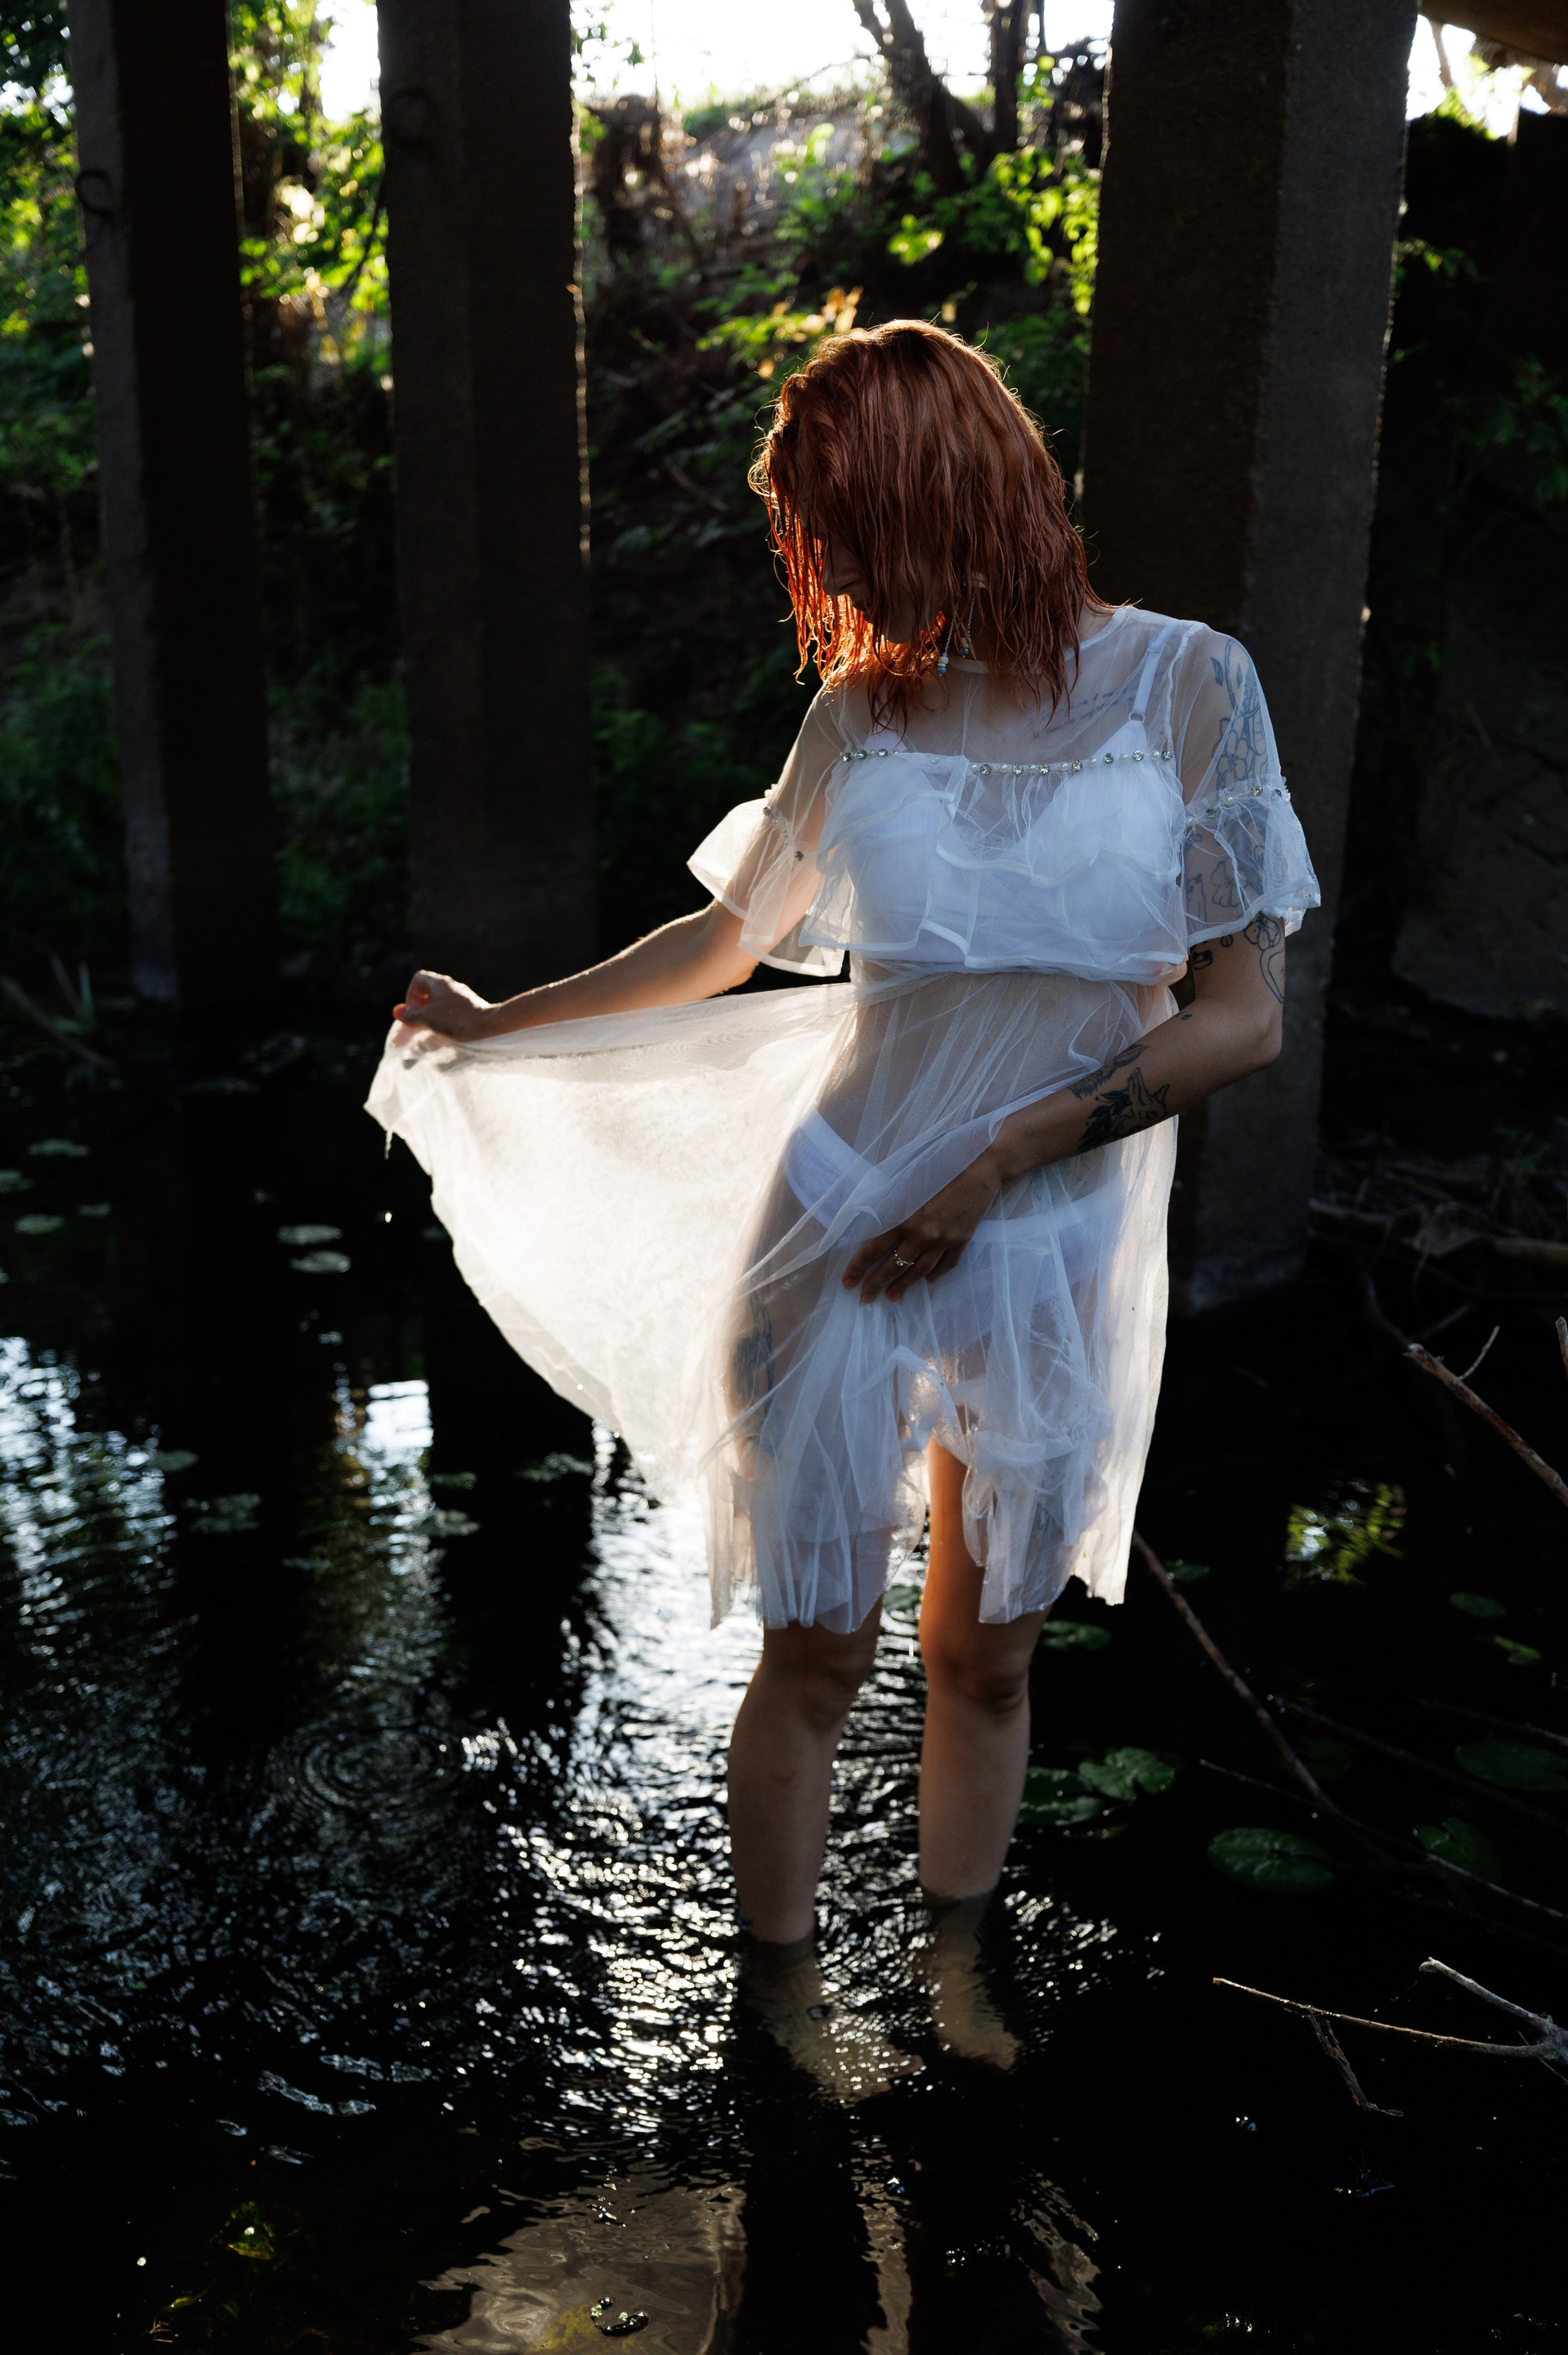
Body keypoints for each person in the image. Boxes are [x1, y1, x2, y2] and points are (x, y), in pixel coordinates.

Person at [370, 320, 1319, 2096]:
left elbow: (1241, 1018)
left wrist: (997, 1163)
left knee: (987, 1658)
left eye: (855, 531)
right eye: (824, 542)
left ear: (960, 492)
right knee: (813, 1651)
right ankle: (783, 2007)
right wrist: (499, 1025)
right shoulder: (862, 711)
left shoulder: (1191, 686)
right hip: (833, 1224)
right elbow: (727, 942)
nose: (843, 580)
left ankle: (957, 1975)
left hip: (1049, 1241)